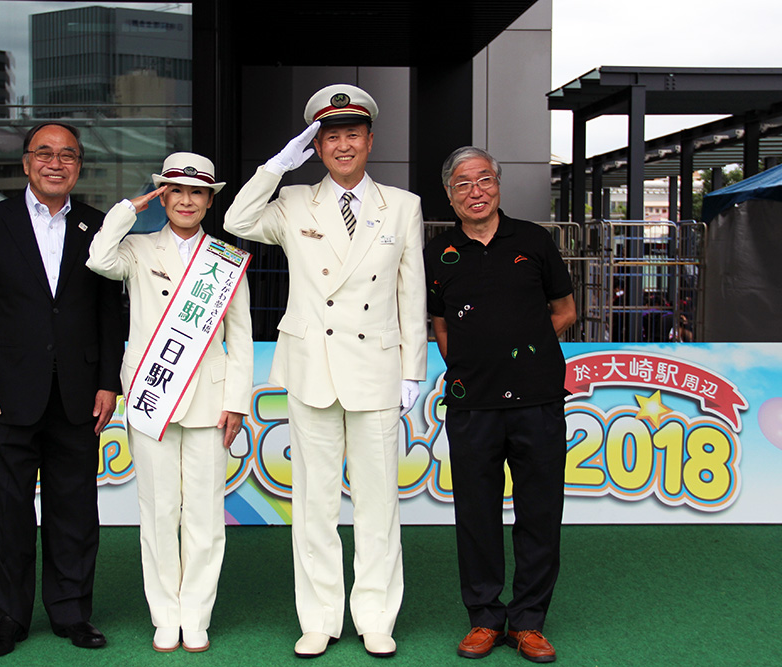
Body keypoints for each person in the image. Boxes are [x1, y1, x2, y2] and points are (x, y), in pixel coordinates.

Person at [224, 84, 426, 658]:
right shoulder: (291, 203)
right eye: (329, 136)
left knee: (377, 503)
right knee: (313, 504)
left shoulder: (403, 206)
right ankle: (318, 617)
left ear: (370, 140)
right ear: (316, 144)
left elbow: (412, 294)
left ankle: (376, 615)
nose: (342, 145)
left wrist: (413, 367)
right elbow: (238, 218)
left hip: (377, 370)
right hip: (312, 367)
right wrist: (276, 166)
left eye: (352, 134)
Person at [0, 122, 123, 658]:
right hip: (7, 394)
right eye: (45, 154)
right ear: (27, 163)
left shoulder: (98, 228)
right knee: (8, 511)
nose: (57, 163)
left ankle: (73, 613)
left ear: (79, 166)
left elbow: (107, 314)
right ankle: (9, 617)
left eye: (68, 155)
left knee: (73, 510)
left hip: (79, 393)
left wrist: (108, 382)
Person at [86, 152, 253, 653]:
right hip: (151, 397)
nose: (186, 200)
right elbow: (97, 257)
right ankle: (165, 614)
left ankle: (196, 614)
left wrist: (236, 402)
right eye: (175, 191)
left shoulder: (227, 260)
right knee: (158, 513)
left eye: (197, 192)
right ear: (163, 196)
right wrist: (129, 209)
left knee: (203, 514)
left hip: (209, 403)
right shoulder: (135, 248)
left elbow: (241, 338)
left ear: (209, 201)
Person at [423, 146, 576, 663]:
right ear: (450, 194)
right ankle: (485, 618)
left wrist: (525, 349)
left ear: (498, 184)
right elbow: (440, 323)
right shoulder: (438, 254)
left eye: (483, 180)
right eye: (462, 184)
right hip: (471, 405)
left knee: (539, 511)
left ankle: (529, 622)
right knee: (476, 514)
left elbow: (565, 309)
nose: (475, 191)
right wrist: (471, 359)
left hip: (538, 400)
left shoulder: (534, 241)